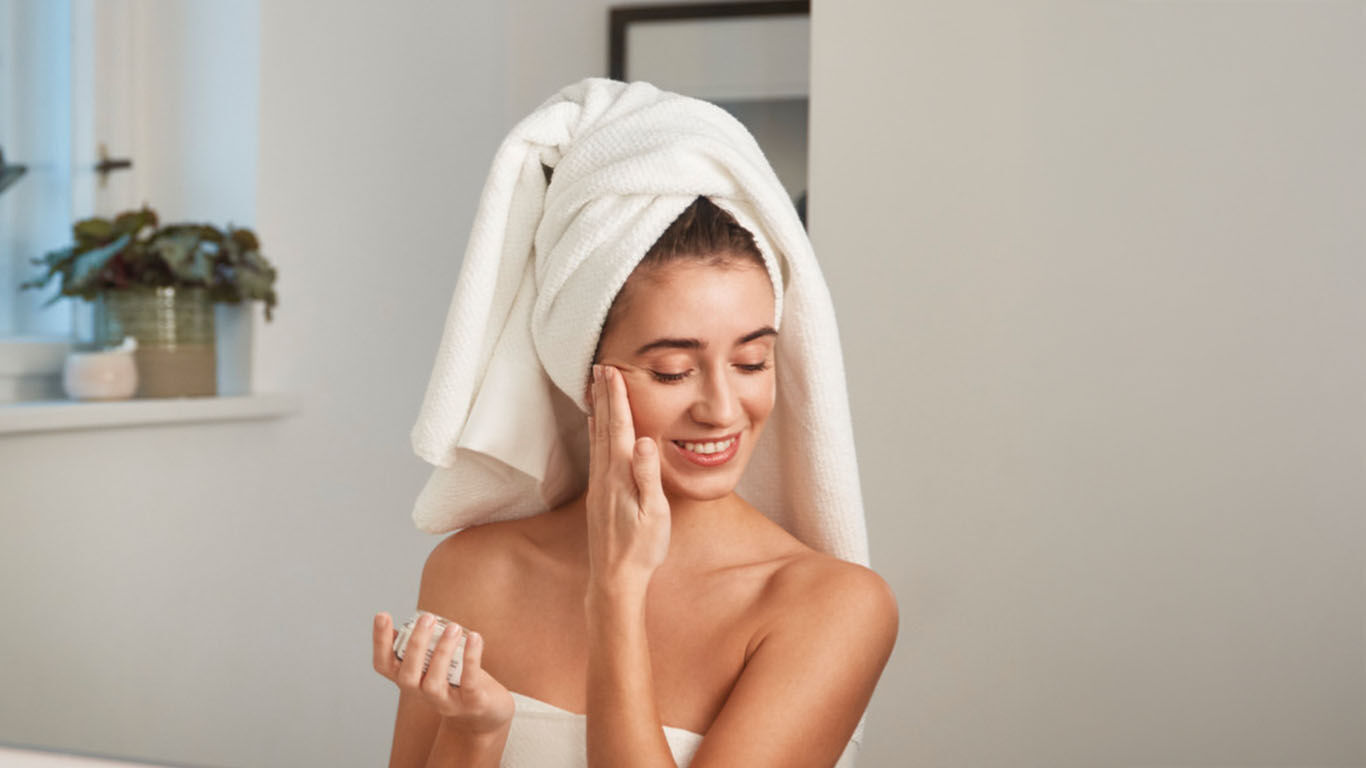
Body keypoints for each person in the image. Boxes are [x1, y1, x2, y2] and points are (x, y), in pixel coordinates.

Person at [370, 78, 897, 767]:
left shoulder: (829, 607)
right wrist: (476, 735)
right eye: (674, 370)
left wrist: (616, 597)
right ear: (585, 371)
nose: (721, 408)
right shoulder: (476, 572)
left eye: (751, 361)